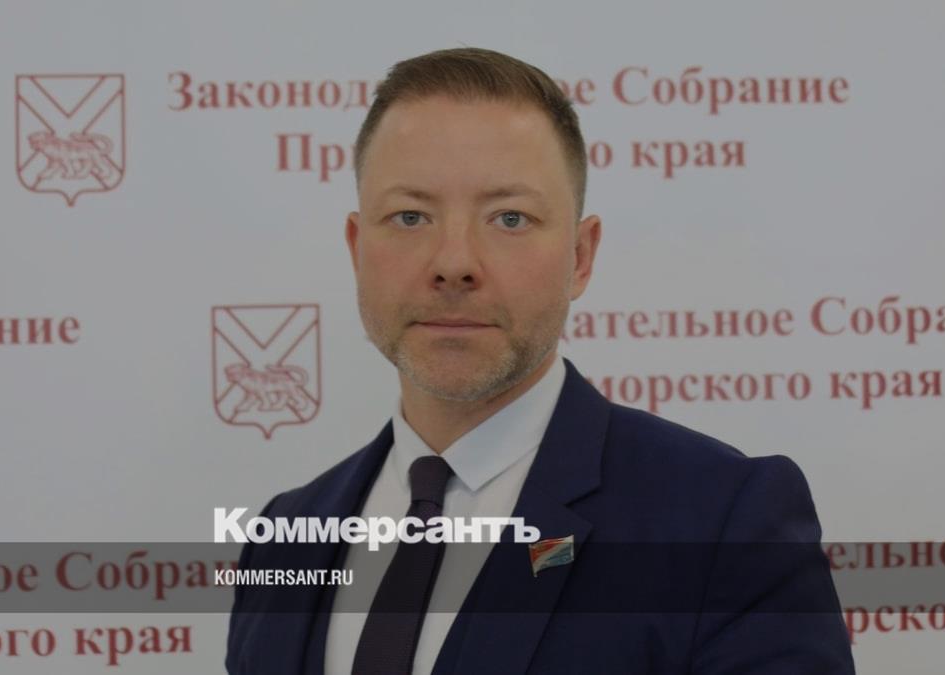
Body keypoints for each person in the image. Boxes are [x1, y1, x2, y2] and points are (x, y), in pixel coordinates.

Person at [226, 47, 855, 674]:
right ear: (357, 248)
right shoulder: (283, 535)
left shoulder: (721, 525)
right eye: (410, 216)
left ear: (580, 257)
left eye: (510, 218)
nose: (454, 263)